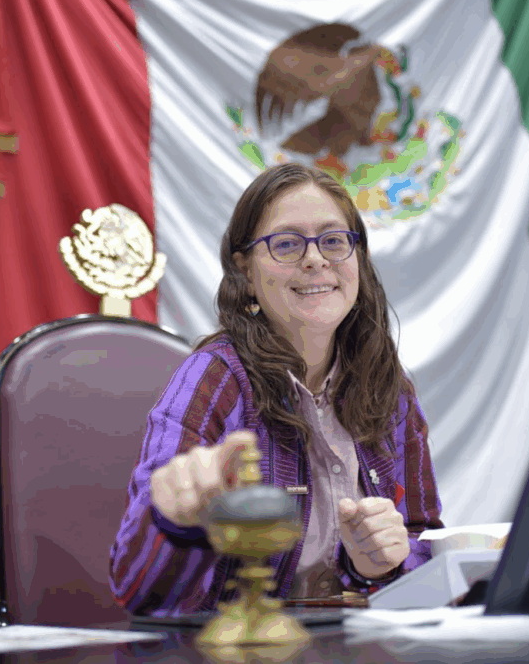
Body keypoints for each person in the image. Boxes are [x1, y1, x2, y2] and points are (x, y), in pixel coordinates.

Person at [109, 163, 443, 615]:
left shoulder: (390, 388)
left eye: (334, 241)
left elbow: (426, 542)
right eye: (286, 243)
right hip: (233, 645)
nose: (315, 259)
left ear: (358, 261)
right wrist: (175, 523)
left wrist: (378, 567)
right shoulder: (213, 378)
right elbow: (135, 591)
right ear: (245, 272)